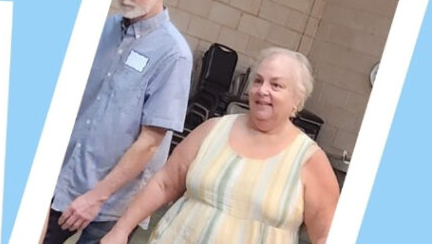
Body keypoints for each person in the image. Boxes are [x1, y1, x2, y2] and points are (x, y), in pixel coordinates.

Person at [101, 48, 341, 244]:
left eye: (276, 85)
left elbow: (326, 235)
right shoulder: (213, 129)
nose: (262, 90)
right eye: (258, 81)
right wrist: (121, 230)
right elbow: (164, 183)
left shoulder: (309, 160)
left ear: (297, 100)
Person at [42, 0, 192, 243]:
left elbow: (150, 141)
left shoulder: (173, 54)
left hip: (113, 205)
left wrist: (96, 197)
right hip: (65, 182)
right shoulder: (106, 28)